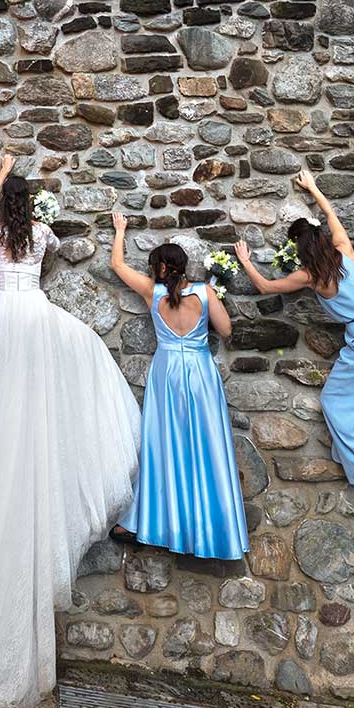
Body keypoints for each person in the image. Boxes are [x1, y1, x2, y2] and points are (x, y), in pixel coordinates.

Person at [0, 155, 140, 708]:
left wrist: (1, 169)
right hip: (34, 313)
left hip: (3, 316)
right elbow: (29, 243)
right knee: (49, 383)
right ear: (36, 209)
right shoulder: (42, 232)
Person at [235, 169, 354, 496]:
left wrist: (245, 260)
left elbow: (265, 286)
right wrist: (313, 187)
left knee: (336, 404)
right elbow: (330, 214)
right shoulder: (344, 250)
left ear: (303, 254)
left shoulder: (311, 276)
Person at [107, 213, 248, 561]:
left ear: (159, 269)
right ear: (184, 267)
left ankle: (158, 520)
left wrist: (121, 230)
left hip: (167, 372)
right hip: (199, 372)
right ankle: (212, 527)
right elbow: (227, 330)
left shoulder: (151, 293)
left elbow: (116, 264)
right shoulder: (204, 292)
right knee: (207, 445)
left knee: (163, 445)